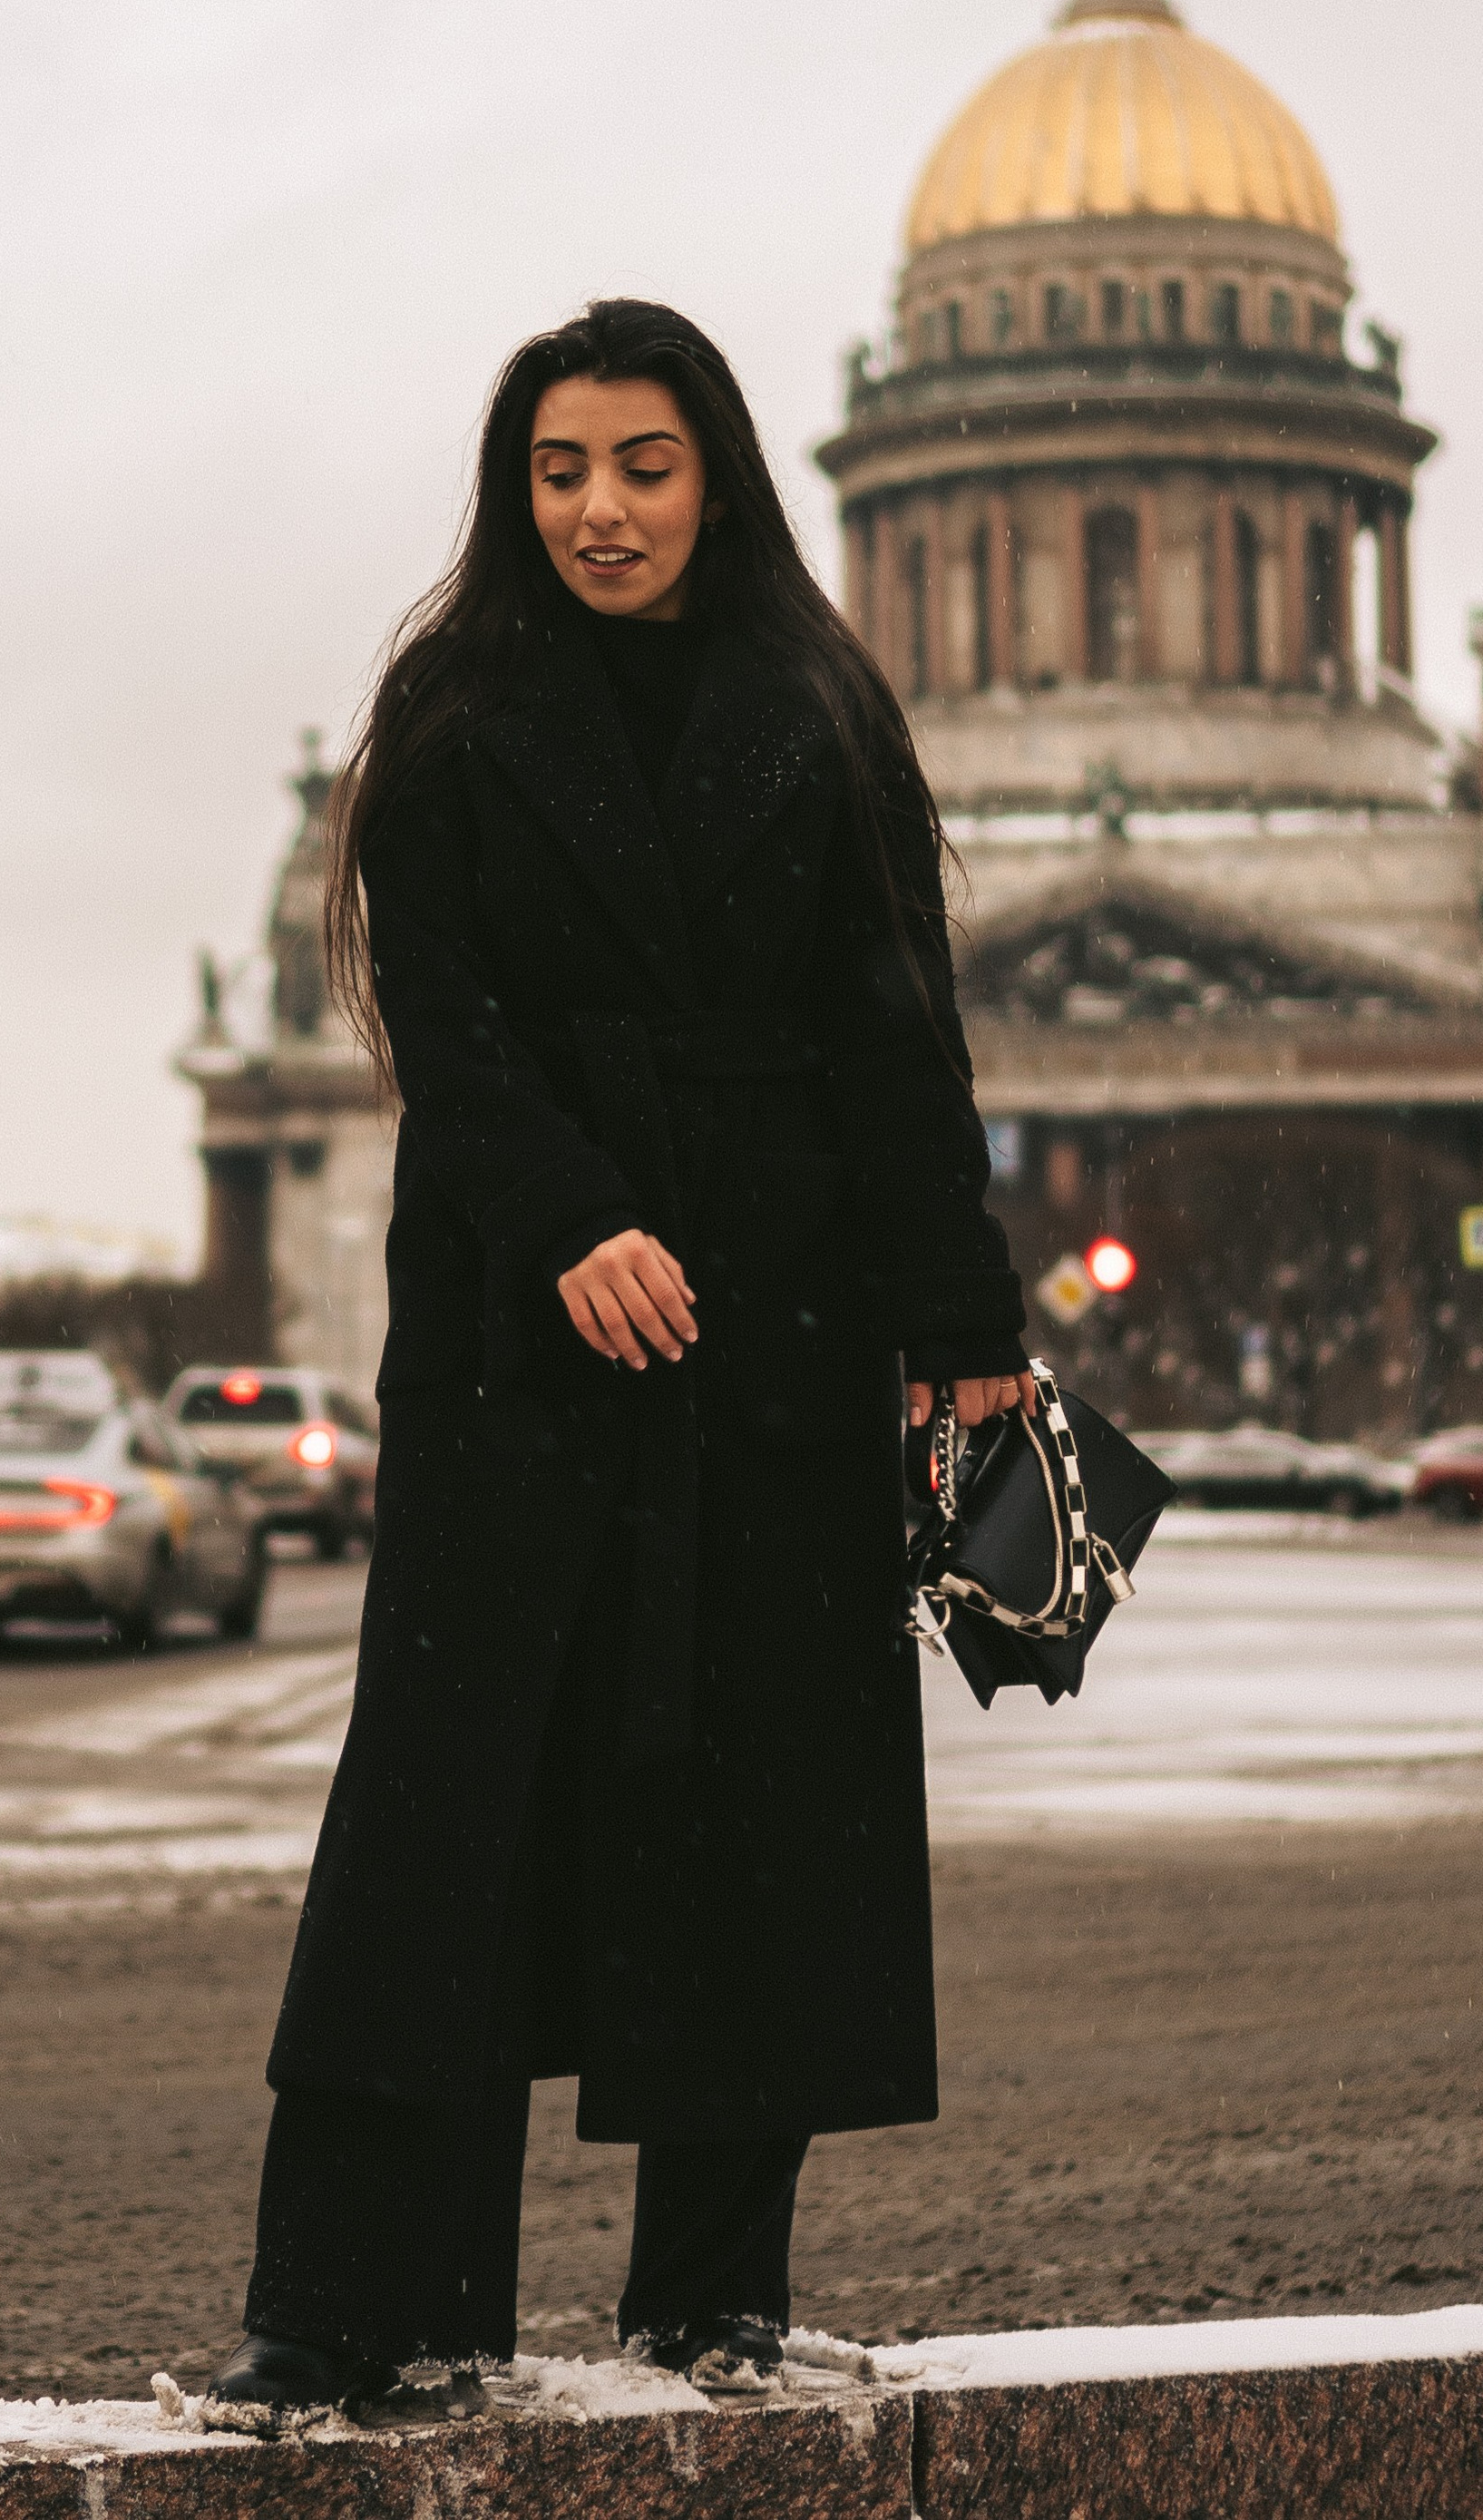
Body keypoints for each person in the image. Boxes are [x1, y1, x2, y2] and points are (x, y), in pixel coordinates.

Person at [210, 299, 1029, 2418]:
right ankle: (352, 2305)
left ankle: (711, 2294)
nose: (597, 511)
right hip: (520, 1335)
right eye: (559, 471)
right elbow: (443, 1025)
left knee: (754, 1807)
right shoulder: (453, 710)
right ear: (516, 490)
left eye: (640, 468)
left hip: (776, 1326)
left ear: (715, 479)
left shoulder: (822, 712)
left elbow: (894, 1050)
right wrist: (567, 1215)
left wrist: (964, 1343)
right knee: (444, 1815)